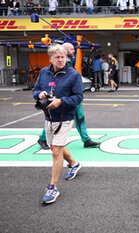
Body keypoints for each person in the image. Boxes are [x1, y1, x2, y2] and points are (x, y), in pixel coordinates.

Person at [33, 44, 83, 204]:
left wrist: (61, 101)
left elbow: (78, 97)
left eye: (63, 57)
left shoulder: (73, 75)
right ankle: (74, 164)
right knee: (56, 146)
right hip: (48, 116)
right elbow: (35, 90)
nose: (61, 60)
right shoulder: (43, 73)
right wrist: (39, 94)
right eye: (57, 57)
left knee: (55, 150)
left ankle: (52, 188)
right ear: (51, 59)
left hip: (65, 117)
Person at [37, 43, 101, 150]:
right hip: (65, 97)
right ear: (65, 50)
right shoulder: (60, 65)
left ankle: (86, 139)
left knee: (78, 117)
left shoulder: (69, 63)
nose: (74, 51)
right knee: (54, 120)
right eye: (71, 49)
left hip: (71, 96)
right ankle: (43, 139)